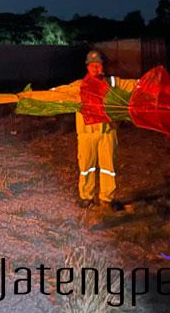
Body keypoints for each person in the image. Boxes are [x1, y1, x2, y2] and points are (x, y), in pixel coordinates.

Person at [53, 50, 137, 210]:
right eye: (92, 65)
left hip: (108, 132)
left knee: (108, 168)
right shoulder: (78, 86)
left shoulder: (112, 82)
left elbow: (133, 85)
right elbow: (58, 94)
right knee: (86, 167)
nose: (95, 68)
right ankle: (86, 197)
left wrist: (148, 84)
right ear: (87, 67)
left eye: (98, 65)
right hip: (87, 135)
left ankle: (107, 198)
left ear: (102, 66)